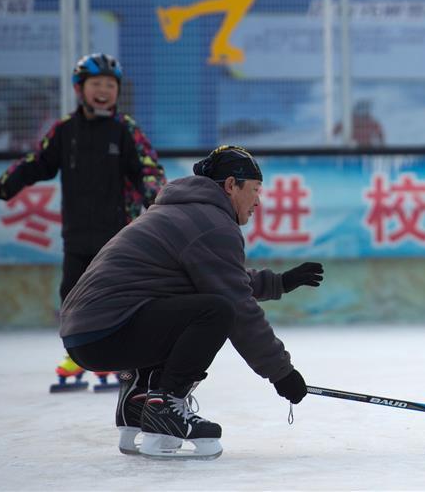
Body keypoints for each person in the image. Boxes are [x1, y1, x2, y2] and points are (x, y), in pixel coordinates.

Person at [58, 145, 325, 460]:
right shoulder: (212, 224)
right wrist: (281, 373)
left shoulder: (185, 212)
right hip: (109, 329)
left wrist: (279, 282)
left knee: (191, 302)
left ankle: (137, 404)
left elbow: (223, 278)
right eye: (254, 190)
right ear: (230, 185)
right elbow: (237, 306)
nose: (258, 201)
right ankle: (166, 406)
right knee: (215, 312)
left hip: (88, 333)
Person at [0, 53, 166, 393]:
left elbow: (148, 168)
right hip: (76, 235)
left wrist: (155, 198)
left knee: (118, 296)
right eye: (96, 84)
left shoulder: (125, 130)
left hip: (118, 237)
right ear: (80, 89)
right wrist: (10, 182)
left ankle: (121, 357)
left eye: (110, 85)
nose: (103, 91)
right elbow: (39, 161)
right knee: (71, 295)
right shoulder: (65, 131)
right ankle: (77, 355)